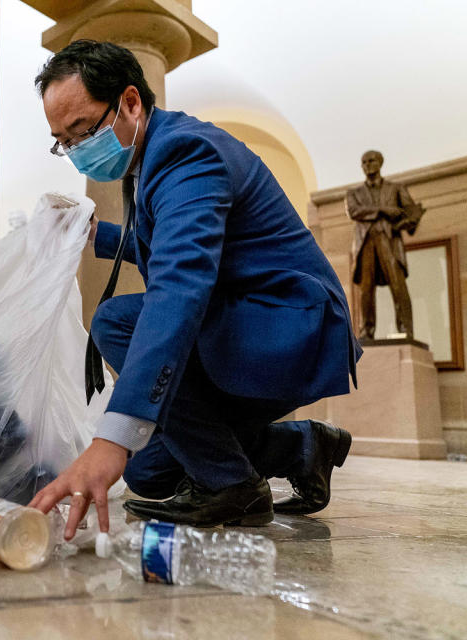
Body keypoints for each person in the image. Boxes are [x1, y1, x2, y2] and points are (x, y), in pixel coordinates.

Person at [26, 40, 362, 541]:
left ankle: (236, 487)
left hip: (289, 326)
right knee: (149, 472)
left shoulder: (185, 152)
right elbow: (181, 250)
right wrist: (99, 235)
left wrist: (111, 437)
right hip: (251, 322)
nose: (76, 152)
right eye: (63, 141)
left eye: (83, 131)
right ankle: (300, 449)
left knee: (116, 321)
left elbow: (180, 286)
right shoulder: (148, 157)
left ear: (131, 102)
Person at [346, 150, 423, 340]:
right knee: (366, 290)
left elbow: (409, 211)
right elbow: (354, 211)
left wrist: (411, 218)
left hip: (389, 240)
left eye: (371, 161)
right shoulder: (353, 193)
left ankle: (406, 329)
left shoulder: (396, 188)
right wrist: (383, 210)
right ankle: (366, 331)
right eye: (363, 162)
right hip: (366, 243)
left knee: (398, 285)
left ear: (380, 163)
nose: (367, 165)